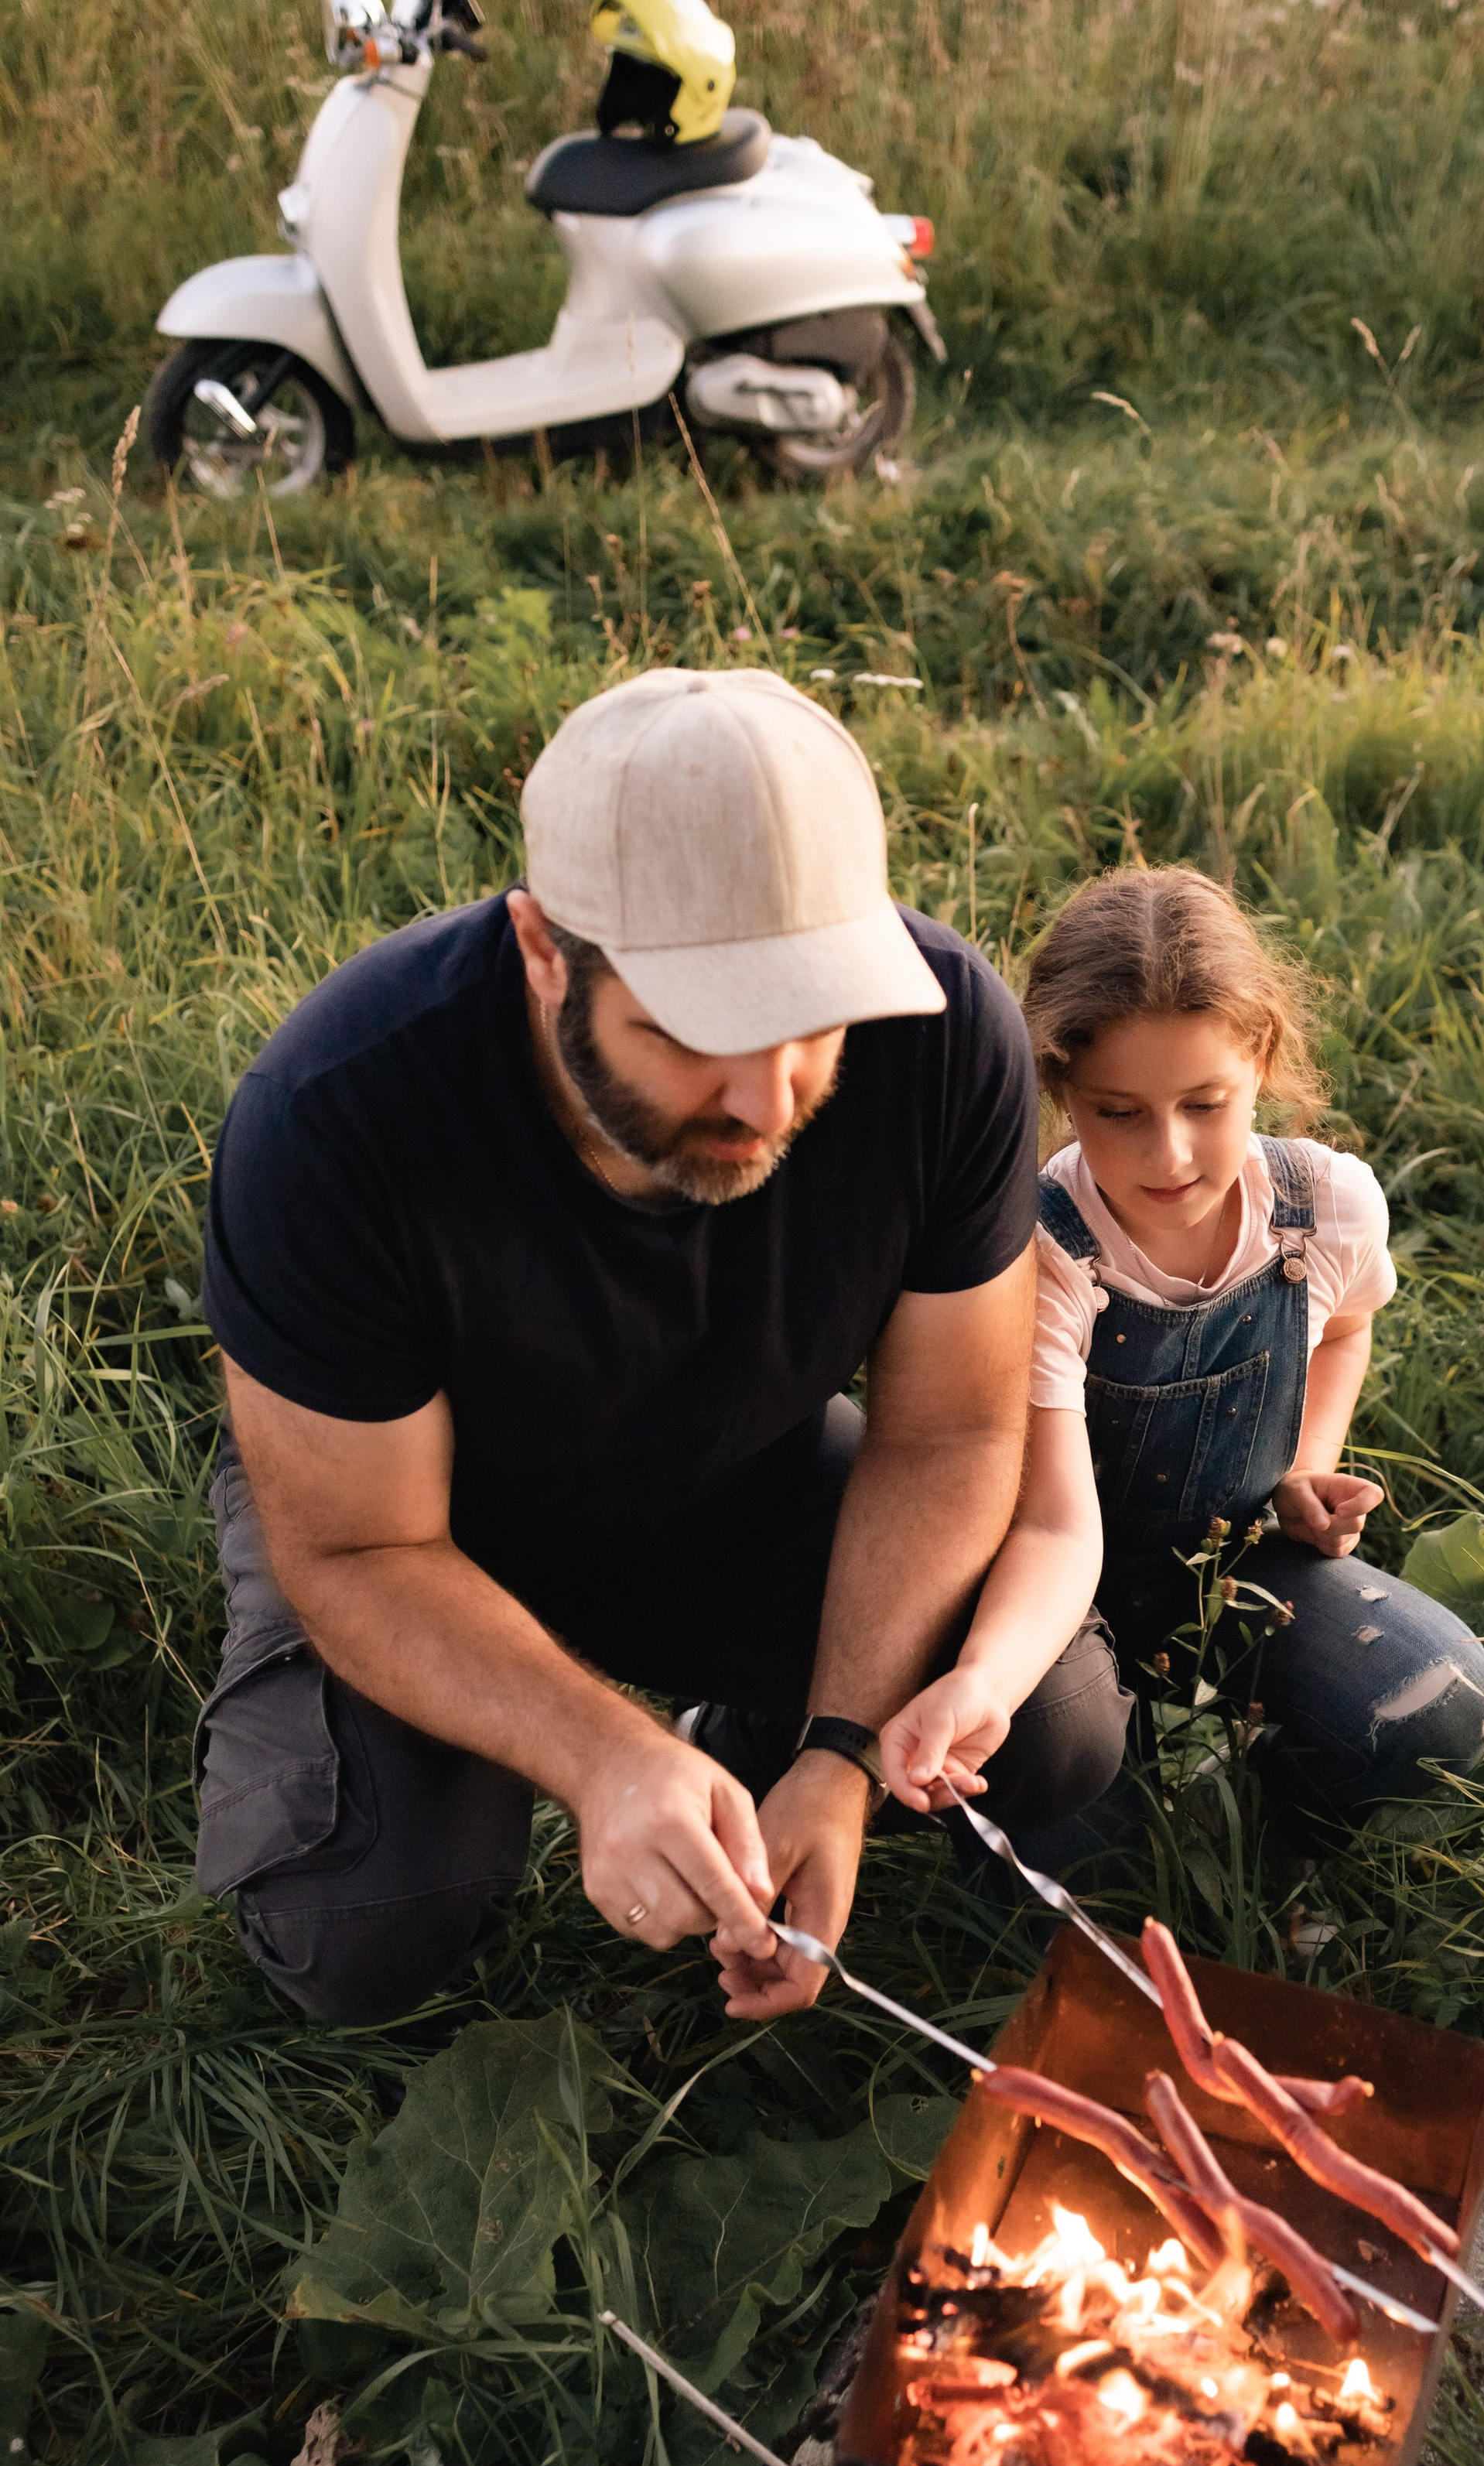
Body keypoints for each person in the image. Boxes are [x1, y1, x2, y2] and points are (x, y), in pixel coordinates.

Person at [193, 668, 1127, 2029]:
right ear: (541, 951)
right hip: (415, 1520)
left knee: (1059, 1725)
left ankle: (741, 1752)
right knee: (360, 1932)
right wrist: (595, 1755)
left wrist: (840, 1758)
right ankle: (576, 1767)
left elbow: (953, 1433)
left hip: (735, 1472)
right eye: (695, 1031)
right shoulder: (337, 1115)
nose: (768, 1097)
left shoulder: (941, 1038)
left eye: (813, 1019)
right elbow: (353, 1547)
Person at [880, 865, 1484, 1838]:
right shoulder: (1041, 1252)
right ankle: (784, 1736)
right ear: (1059, 1086)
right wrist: (988, 1685)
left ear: (1259, 1055)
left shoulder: (1322, 1209)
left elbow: (1343, 1326)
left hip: (1231, 1567)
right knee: (1090, 1879)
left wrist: (1306, 1467)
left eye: (1204, 1104)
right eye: (1118, 1112)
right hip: (1047, 1594)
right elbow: (1051, 1531)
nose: (1167, 1155)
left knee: (1435, 1703)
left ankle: (1269, 1835)